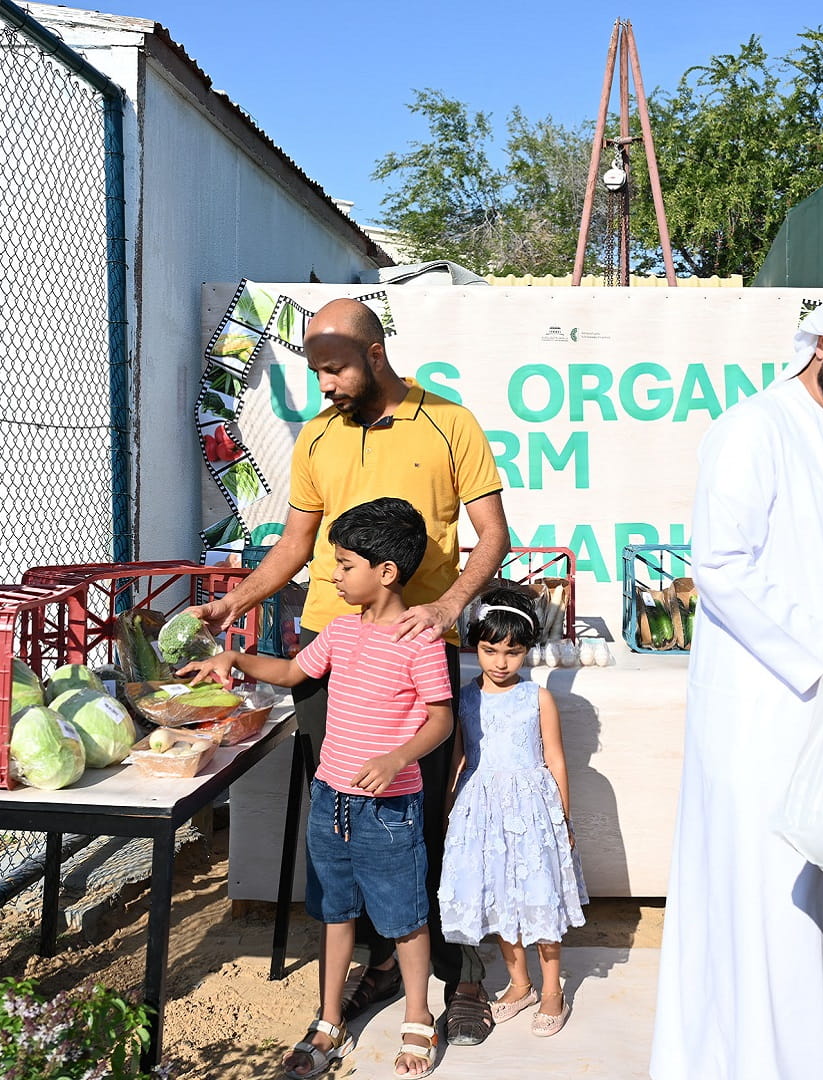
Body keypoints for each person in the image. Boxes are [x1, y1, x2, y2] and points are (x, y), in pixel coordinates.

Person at [188, 297, 509, 1044]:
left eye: (333, 369)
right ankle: (378, 965)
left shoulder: (449, 423)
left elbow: (492, 534)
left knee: (422, 816)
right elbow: (296, 545)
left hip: (415, 652)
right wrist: (234, 602)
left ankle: (457, 974)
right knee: (347, 816)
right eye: (316, 372)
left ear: (372, 355)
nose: (325, 386)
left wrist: (448, 606)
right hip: (329, 650)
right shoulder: (318, 437)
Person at [650, 265, 823, 1080]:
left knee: (822, 893)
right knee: (754, 893)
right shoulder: (753, 429)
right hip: (761, 711)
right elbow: (723, 566)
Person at [182, 497, 454, 1079]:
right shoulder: (339, 631)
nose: (334, 575)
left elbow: (441, 719)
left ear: (386, 573)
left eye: (345, 565)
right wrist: (236, 657)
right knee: (334, 911)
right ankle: (329, 1019)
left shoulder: (420, 640)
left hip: (389, 809)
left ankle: (417, 1015)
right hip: (330, 799)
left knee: (404, 919)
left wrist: (398, 756)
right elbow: (292, 672)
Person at [437, 585, 587, 1039]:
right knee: (499, 896)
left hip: (533, 809)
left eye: (512, 652)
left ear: (526, 652)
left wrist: (562, 817)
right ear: (475, 646)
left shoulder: (537, 698)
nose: (501, 662)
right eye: (489, 650)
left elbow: (555, 760)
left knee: (539, 895)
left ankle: (551, 991)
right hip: (480, 810)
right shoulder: (464, 698)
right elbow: (461, 757)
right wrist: (448, 813)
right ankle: (519, 984)